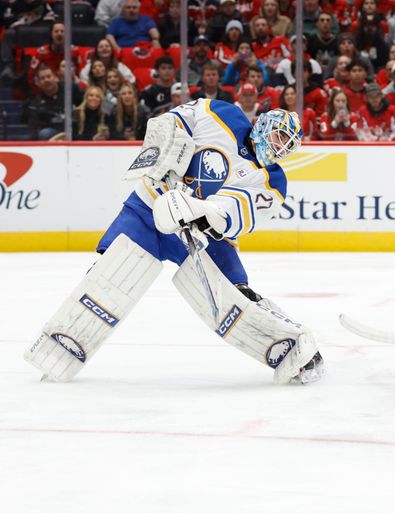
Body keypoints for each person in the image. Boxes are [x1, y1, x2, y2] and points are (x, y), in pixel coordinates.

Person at [24, 104, 325, 387]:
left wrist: (200, 210)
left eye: (288, 142)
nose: (280, 145)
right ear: (264, 124)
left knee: (237, 296)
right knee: (108, 273)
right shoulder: (225, 113)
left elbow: (237, 214)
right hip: (149, 206)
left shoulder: (273, 181)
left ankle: (293, 350)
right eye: (279, 134)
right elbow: (174, 121)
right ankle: (60, 348)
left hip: (200, 236)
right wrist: (167, 150)